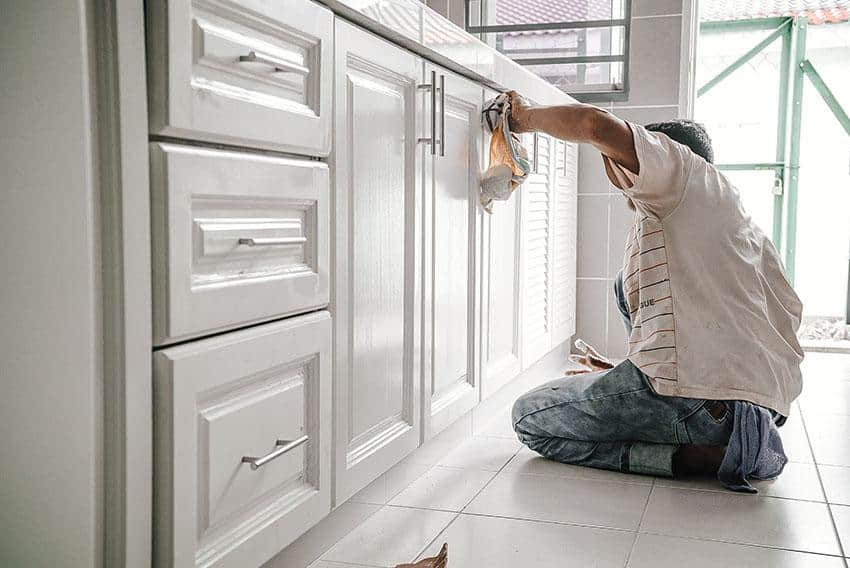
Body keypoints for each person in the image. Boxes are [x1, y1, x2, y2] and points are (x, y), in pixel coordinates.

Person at [507, 92, 804, 490]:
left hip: (699, 402)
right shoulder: (741, 228)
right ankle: (722, 435)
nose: (617, 175)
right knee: (625, 283)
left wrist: (522, 117)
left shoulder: (683, 172)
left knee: (529, 417)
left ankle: (690, 456)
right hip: (760, 407)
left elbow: (595, 125)